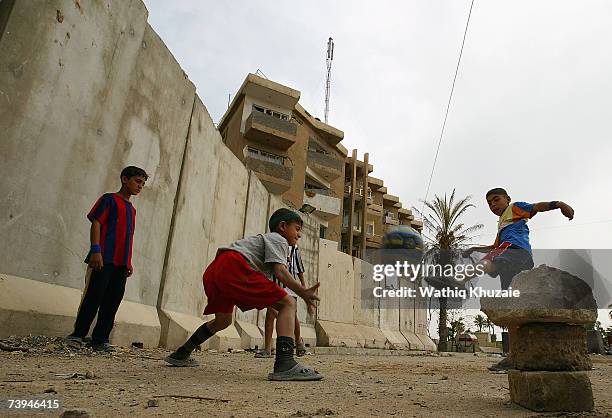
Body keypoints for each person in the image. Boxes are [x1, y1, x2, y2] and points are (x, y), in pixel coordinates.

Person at [164, 208, 323, 381]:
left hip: (217, 270)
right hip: (234, 265)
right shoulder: (278, 239)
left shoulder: (265, 244)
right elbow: (281, 272)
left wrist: (274, 303)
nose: (299, 235)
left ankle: (181, 353)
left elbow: (265, 282)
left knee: (223, 321)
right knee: (288, 303)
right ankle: (285, 363)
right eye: (297, 229)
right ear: (283, 226)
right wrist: (303, 291)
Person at [465, 187, 574, 370]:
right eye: (489, 203)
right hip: (508, 256)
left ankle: (456, 281)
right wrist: (475, 248)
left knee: (487, 262)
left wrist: (559, 204)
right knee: (511, 306)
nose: (493, 204)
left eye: (496, 199)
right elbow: (494, 245)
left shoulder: (515, 208)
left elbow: (536, 207)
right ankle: (514, 356)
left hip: (516, 251)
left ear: (507, 199)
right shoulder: (502, 223)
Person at [66, 166, 148, 352]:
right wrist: (96, 250)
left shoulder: (132, 209)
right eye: (137, 181)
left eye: (143, 183)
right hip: (103, 259)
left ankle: (100, 339)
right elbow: (96, 223)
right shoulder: (109, 200)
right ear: (124, 179)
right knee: (93, 297)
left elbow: (127, 237)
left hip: (121, 264)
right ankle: (77, 335)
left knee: (112, 301)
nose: (140, 186)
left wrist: (128, 262)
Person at [255, 245, 308, 359]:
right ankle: (268, 348)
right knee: (270, 314)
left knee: (292, 315)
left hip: (289, 283)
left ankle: (298, 341)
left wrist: (303, 285)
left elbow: (299, 266)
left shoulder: (294, 247)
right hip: (275, 283)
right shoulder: (274, 243)